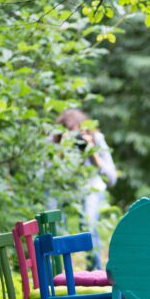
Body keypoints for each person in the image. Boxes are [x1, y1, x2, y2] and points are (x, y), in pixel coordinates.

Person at [54, 109, 117, 270]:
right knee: (56, 222)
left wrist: (92, 152)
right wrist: (63, 149)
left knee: (88, 223)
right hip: (68, 189)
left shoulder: (96, 139)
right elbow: (53, 176)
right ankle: (60, 269)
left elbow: (111, 178)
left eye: (79, 132)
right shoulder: (57, 141)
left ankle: (95, 270)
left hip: (92, 187)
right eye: (71, 132)